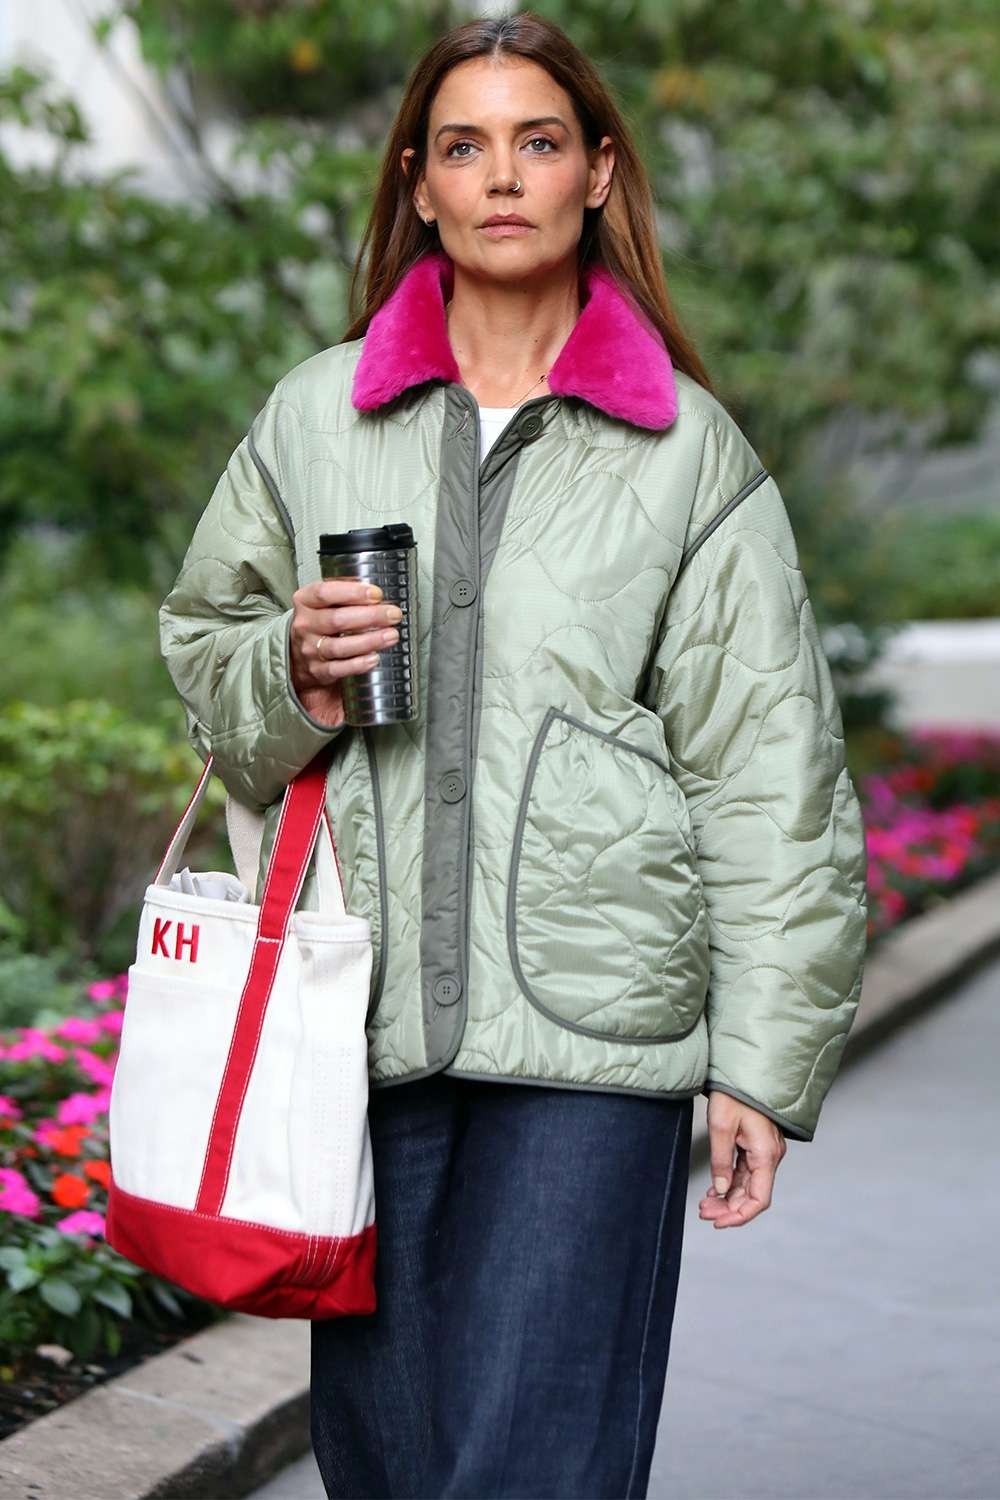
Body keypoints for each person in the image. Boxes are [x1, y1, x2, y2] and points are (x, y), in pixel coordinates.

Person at [158, 11, 868, 1498]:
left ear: (598, 173)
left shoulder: (689, 456)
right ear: (417, 183)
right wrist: (288, 664)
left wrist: (762, 1063)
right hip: (362, 1032)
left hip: (595, 1054)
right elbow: (206, 669)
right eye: (463, 146)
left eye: (539, 142)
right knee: (392, 1468)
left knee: (535, 1469)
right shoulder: (315, 417)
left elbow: (770, 778)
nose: (502, 178)